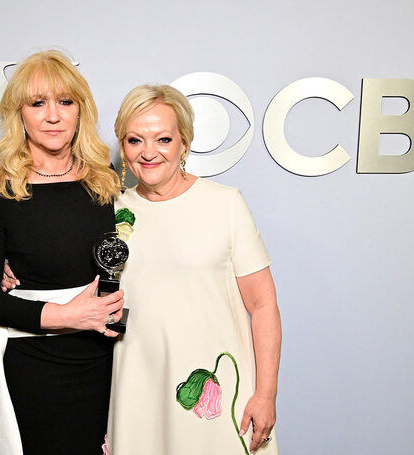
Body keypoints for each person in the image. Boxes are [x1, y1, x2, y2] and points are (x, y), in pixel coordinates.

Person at [0, 50, 125, 455]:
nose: (53, 116)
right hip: (31, 366)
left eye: (65, 102)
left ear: (81, 110)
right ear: (20, 114)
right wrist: (66, 316)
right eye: (38, 103)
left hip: (102, 363)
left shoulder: (105, 181)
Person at [105, 85, 281, 455]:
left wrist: (266, 394)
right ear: (123, 148)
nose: (148, 152)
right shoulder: (108, 212)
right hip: (137, 390)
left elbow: (263, 305)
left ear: (184, 143)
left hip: (209, 395)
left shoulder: (225, 205)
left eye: (163, 139)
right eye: (135, 140)